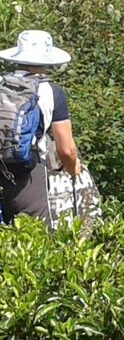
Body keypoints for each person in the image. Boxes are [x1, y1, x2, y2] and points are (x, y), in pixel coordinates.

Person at [0, 30, 80, 226]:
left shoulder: (1, 83)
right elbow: (66, 149)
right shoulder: (52, 92)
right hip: (28, 174)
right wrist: (73, 169)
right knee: (34, 238)